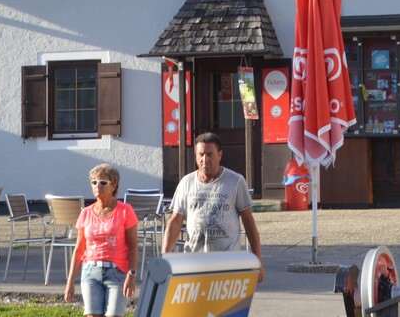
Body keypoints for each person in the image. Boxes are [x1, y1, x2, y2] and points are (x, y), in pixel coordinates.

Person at [162, 132, 264, 282]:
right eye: (201, 155)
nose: (205, 159)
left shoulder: (235, 181)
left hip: (227, 263)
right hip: (194, 262)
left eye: (210, 154)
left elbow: (248, 221)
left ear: (220, 155)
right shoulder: (186, 182)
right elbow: (176, 220)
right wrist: (164, 257)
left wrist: (257, 259)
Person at [64, 163, 139, 317]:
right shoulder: (86, 213)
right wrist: (70, 282)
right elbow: (79, 249)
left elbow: (133, 246)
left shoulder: (125, 211)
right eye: (94, 182)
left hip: (117, 273)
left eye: (103, 182)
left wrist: (131, 275)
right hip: (90, 272)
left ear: (113, 185)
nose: (97, 186)